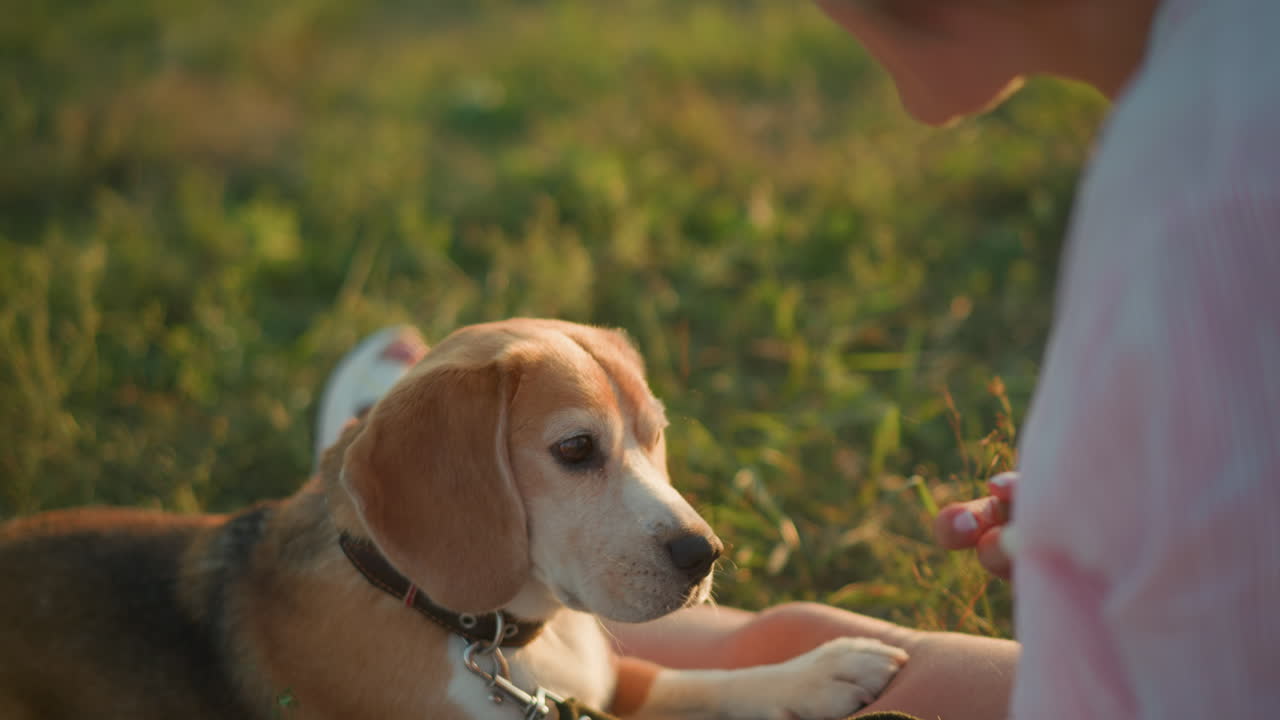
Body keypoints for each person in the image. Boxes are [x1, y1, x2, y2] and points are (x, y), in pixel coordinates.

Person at [317, 0, 1280, 715]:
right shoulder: (1214, 103)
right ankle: (417, 500)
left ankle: (393, 512)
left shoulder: (1200, 195)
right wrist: (1123, 521)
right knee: (795, 640)